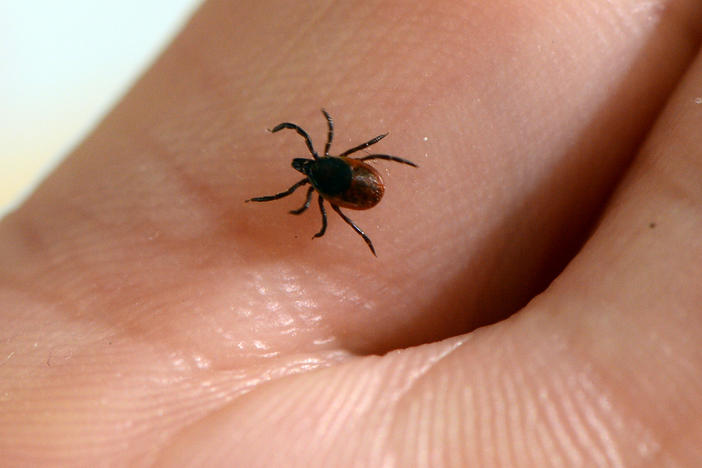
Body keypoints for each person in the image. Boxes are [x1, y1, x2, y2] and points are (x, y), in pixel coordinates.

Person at [1, 1, 701, 465]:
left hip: (362, 195)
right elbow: (345, 164)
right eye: (309, 160)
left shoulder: (323, 181)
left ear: (321, 162)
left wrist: (321, 203)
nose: (306, 161)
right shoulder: (337, 167)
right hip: (365, 191)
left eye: (307, 156)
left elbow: (311, 192)